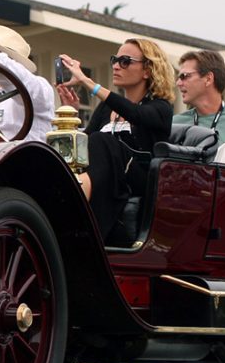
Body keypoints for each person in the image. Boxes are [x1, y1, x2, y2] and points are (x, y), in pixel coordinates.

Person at [55, 38, 175, 236]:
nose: (116, 66)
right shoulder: (106, 108)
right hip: (102, 176)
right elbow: (84, 143)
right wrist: (73, 114)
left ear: (147, 70)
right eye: (115, 60)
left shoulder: (161, 108)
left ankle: (73, 194)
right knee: (89, 142)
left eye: (125, 61)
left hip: (136, 179)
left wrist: (88, 82)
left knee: (102, 141)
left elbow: (135, 114)